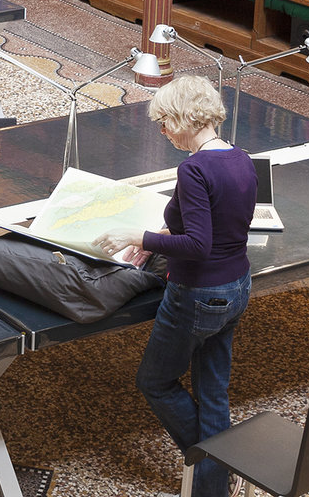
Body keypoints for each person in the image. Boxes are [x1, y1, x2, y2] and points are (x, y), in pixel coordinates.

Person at [94, 76, 254, 497]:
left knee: (156, 382)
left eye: (165, 122)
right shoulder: (241, 158)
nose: (163, 132)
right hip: (237, 286)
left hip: (197, 294)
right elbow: (218, 224)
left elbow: (198, 246)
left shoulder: (194, 168)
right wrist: (167, 229)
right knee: (213, 391)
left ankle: (211, 467)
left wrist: (139, 237)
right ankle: (215, 487)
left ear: (185, 118)